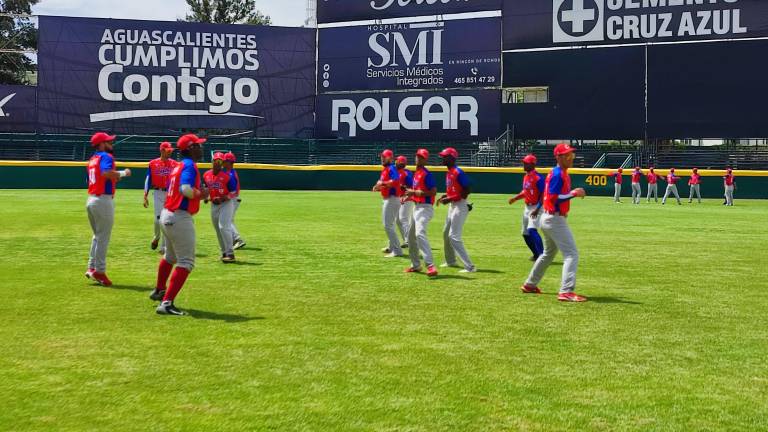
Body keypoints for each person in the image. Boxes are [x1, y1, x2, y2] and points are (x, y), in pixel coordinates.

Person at [521, 143, 587, 302]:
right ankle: (566, 291)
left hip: (549, 218)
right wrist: (573, 193)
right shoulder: (558, 174)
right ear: (558, 157)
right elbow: (553, 198)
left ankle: (530, 284)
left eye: (571, 155)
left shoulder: (560, 173)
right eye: (566, 155)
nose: (570, 158)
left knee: (548, 254)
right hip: (555, 219)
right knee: (571, 254)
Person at [151, 133, 209, 316]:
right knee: (186, 262)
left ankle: (160, 290)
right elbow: (185, 190)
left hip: (167, 214)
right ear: (191, 148)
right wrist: (201, 194)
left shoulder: (178, 166)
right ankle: (167, 303)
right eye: (198, 145)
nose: (201, 148)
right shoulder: (190, 165)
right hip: (179, 216)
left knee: (170, 257)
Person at [85, 132, 131, 287]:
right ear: (101, 144)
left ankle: (91, 267)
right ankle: (99, 271)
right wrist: (123, 173)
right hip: (102, 200)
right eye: (108, 142)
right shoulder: (106, 157)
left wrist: (114, 176)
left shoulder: (92, 159)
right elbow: (105, 173)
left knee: (97, 236)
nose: (111, 144)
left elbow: (98, 177)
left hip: (91, 199)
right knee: (103, 237)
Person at [438, 147, 476, 273]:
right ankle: (451, 261)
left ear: (452, 158)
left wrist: (449, 199)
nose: (442, 158)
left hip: (460, 205)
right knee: (445, 233)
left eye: (445, 156)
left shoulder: (458, 172)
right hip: (453, 205)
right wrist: (446, 196)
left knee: (453, 236)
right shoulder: (449, 172)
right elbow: (454, 190)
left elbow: (466, 191)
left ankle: (470, 266)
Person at [403, 149, 438, 277]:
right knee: (411, 238)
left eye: (421, 157)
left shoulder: (426, 174)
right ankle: (416, 265)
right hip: (416, 207)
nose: (419, 158)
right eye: (417, 156)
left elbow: (433, 192)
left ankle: (430, 265)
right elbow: (416, 192)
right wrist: (409, 197)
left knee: (419, 233)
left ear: (425, 159)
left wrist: (414, 193)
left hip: (425, 208)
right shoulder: (416, 173)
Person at [508, 154, 545, 261]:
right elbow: (526, 191)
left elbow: (543, 195)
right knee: (525, 233)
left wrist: (537, 209)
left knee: (532, 230)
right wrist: (515, 198)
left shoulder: (538, 178)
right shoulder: (526, 176)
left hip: (537, 206)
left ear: (532, 164)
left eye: (526, 163)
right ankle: (536, 254)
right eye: (524, 162)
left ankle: (542, 255)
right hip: (527, 207)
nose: (523, 164)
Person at [143, 142, 176, 252]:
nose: (170, 152)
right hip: (158, 192)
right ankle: (156, 237)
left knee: (167, 220)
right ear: (161, 150)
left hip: (170, 194)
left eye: (170, 151)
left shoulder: (175, 164)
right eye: (168, 151)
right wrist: (145, 195)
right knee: (158, 220)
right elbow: (148, 179)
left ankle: (164, 247)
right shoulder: (153, 163)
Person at [204, 152, 236, 263]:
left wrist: (222, 198)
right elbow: (206, 189)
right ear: (212, 161)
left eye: (220, 161)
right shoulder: (206, 175)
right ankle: (224, 252)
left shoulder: (227, 176)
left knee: (223, 227)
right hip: (214, 205)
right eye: (216, 160)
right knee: (217, 229)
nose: (218, 163)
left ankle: (230, 253)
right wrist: (206, 196)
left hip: (226, 204)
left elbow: (234, 192)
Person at [372, 149, 402, 257]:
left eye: (384, 156)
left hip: (392, 199)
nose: (382, 158)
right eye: (381, 156)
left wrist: (382, 183)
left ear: (390, 158)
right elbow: (386, 184)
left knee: (387, 225)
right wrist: (378, 187)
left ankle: (397, 250)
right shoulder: (385, 169)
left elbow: (395, 181)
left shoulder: (392, 168)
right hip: (389, 198)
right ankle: (391, 247)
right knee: (391, 224)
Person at [223, 152, 245, 250]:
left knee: (227, 221)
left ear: (229, 162)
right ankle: (233, 240)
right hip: (235, 198)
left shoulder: (229, 173)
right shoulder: (231, 171)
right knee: (229, 220)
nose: (223, 162)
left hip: (232, 199)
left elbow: (232, 190)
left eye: (224, 161)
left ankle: (238, 239)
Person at [395, 155, 413, 249]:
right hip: (398, 198)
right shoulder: (395, 172)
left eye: (397, 161)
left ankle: (409, 241)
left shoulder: (407, 173)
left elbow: (411, 187)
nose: (395, 163)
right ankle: (406, 240)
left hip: (407, 198)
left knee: (403, 219)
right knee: (398, 220)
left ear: (401, 163)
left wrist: (406, 196)